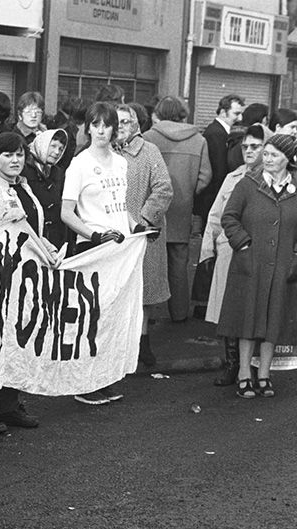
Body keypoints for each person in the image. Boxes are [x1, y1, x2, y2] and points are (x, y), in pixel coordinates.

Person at [0, 132, 49, 437]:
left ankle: (10, 402)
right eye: (8, 155)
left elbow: (31, 226)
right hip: (0, 275)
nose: (15, 160)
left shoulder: (24, 186)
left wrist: (44, 246)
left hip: (25, 274)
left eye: (19, 154)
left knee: (19, 337)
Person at [61, 102, 133, 406]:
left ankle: (101, 378)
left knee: (111, 316)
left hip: (120, 248)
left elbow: (120, 207)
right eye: (96, 124)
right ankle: (82, 382)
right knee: (89, 317)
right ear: (88, 128)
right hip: (93, 246)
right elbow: (67, 212)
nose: (102, 130)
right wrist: (94, 234)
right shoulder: (79, 164)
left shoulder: (121, 163)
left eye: (107, 124)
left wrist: (137, 225)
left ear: (114, 128)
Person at [218, 132, 297, 399]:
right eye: (266, 154)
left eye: (275, 154)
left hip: (283, 266)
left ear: (288, 158)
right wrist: (243, 245)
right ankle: (243, 373)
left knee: (273, 320)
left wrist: (295, 258)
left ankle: (264, 374)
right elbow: (229, 218)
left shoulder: (295, 188)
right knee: (247, 319)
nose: (268, 159)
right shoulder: (248, 184)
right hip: (250, 263)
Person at [201, 124, 265, 386]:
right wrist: (207, 248)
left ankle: (251, 365)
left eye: (255, 146)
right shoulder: (232, 177)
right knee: (228, 310)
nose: (248, 151)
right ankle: (232, 365)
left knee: (252, 308)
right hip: (228, 249)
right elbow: (215, 215)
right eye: (245, 146)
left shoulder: (272, 178)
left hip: (257, 252)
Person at [143, 96, 211, 323]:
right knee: (179, 263)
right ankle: (179, 313)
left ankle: (147, 315)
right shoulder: (199, 140)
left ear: (159, 112)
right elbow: (205, 176)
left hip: (153, 207)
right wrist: (189, 192)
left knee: (149, 262)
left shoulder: (148, 138)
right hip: (182, 208)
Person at [116, 102, 174, 368]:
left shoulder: (149, 151)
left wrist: (145, 219)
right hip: (114, 235)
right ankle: (118, 342)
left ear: (137, 124)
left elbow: (163, 188)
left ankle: (143, 339)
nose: (120, 127)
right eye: (116, 122)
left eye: (126, 122)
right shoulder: (103, 153)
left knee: (144, 291)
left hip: (143, 233)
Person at [196, 94, 244, 224]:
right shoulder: (216, 134)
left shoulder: (219, 132)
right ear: (223, 112)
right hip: (214, 197)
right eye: (236, 113)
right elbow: (219, 170)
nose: (240, 118)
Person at [22, 128, 69, 249]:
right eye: (52, 146)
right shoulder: (24, 171)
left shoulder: (58, 173)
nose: (57, 152)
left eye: (61, 148)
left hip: (56, 238)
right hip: (32, 239)